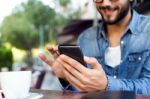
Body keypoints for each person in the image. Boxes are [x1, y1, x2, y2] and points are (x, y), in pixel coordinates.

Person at [39, 0, 150, 94]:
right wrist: (67, 78)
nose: (105, 3)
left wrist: (107, 84)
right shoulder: (85, 38)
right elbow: (82, 91)